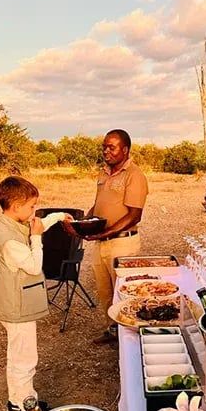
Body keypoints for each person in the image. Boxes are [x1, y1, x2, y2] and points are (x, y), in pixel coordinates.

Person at [0, 176, 73, 411]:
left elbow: (37, 224)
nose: (34, 212)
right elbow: (35, 265)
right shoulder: (11, 241)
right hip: (17, 307)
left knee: (16, 356)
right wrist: (37, 239)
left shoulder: (10, 221)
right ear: (16, 207)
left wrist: (59, 216)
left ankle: (16, 402)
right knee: (25, 360)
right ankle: (28, 410)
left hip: (12, 304)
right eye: (31, 207)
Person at [85, 129, 148, 345]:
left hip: (123, 243)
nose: (106, 151)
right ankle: (113, 330)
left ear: (125, 149)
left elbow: (134, 215)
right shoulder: (103, 173)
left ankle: (129, 337)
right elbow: (98, 204)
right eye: (104, 146)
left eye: (111, 147)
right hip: (101, 243)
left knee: (124, 292)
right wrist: (84, 222)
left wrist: (105, 232)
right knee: (105, 292)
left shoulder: (134, 175)